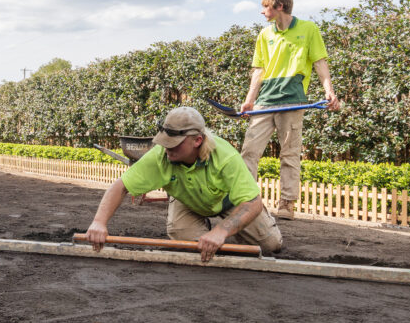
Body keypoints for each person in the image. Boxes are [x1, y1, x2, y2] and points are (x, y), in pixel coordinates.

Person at [85, 107, 282, 262]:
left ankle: (225, 232)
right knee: (187, 240)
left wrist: (221, 231)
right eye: (165, 140)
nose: (167, 148)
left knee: (270, 245)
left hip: (230, 203)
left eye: (175, 143)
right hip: (187, 201)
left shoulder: (225, 157)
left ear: (197, 140)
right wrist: (99, 222)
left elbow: (252, 202)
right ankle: (209, 234)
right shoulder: (161, 155)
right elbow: (121, 186)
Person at [239, 0, 339, 220]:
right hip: (265, 101)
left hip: (293, 100)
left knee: (290, 153)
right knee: (249, 151)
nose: (262, 11)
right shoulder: (264, 35)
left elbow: (319, 62)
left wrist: (329, 91)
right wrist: (249, 100)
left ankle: (286, 203)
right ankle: (246, 199)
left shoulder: (308, 29)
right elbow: (259, 70)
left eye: (266, 6)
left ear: (279, 7)